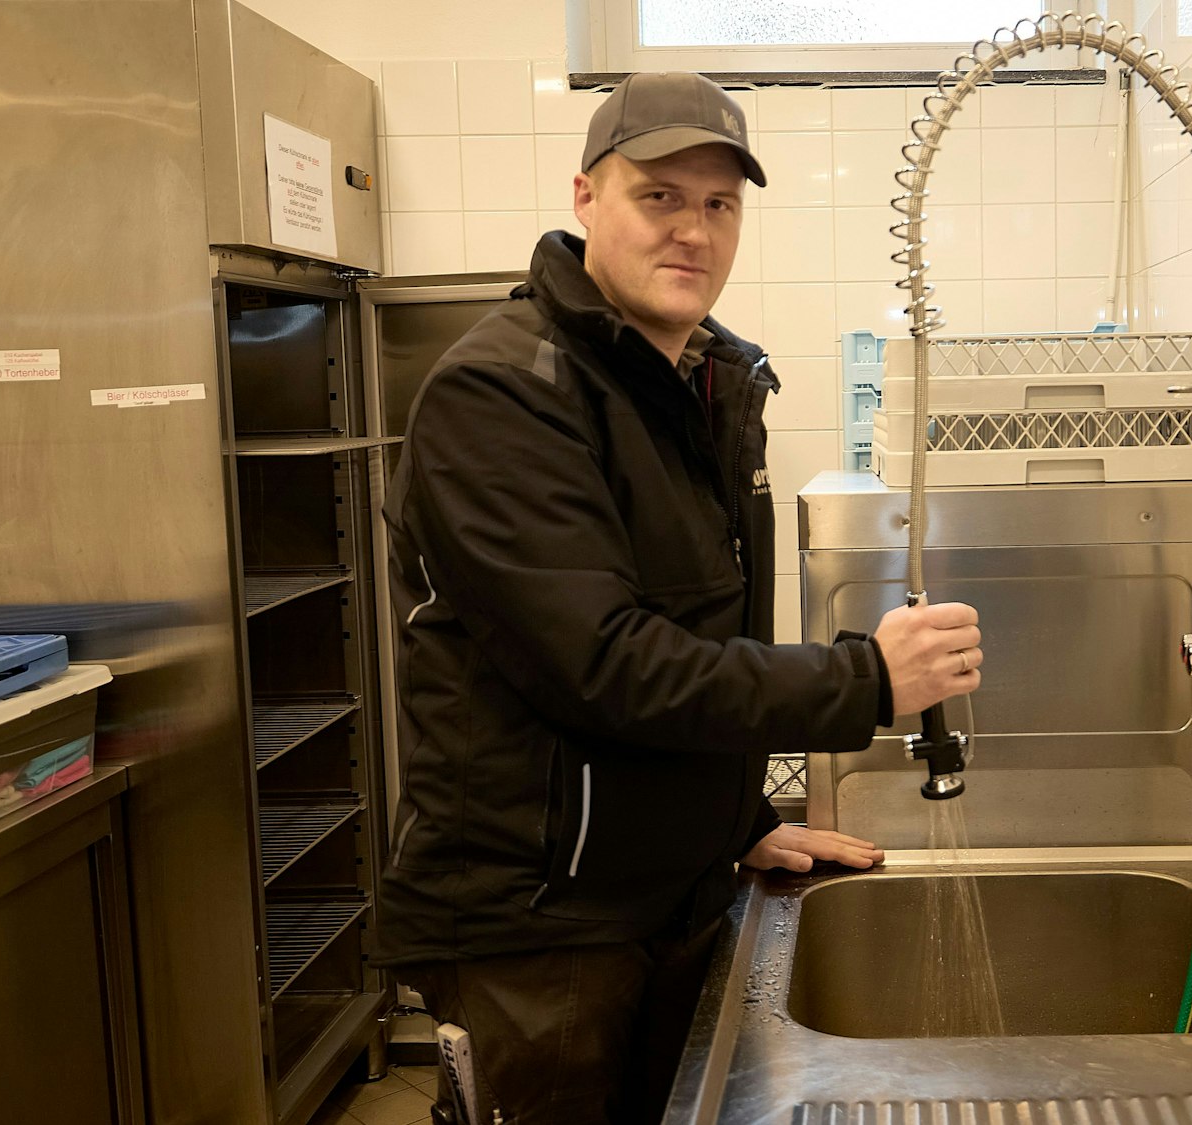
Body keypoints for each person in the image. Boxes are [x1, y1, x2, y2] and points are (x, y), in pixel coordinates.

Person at [369, 72, 984, 1124]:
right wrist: (865, 680)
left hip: (665, 891)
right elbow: (603, 665)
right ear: (585, 198)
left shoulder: (704, 385)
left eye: (718, 204)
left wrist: (732, 820)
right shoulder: (504, 393)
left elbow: (696, 628)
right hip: (542, 922)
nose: (691, 230)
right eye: (659, 196)